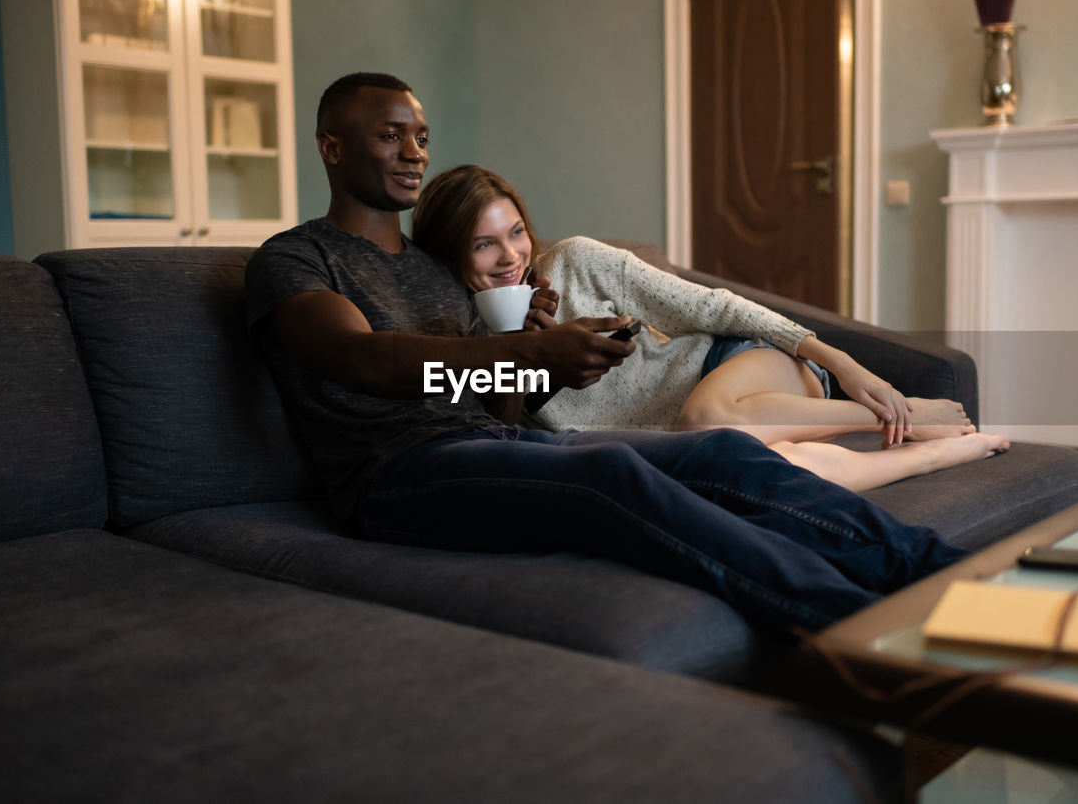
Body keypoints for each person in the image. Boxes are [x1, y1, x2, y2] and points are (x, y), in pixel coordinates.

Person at [243, 71, 967, 634]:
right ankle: (858, 626)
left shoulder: (439, 271)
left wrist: (537, 358)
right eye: (391, 135)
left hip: (486, 441)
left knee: (723, 454)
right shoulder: (297, 259)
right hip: (394, 477)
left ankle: (947, 575)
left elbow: (499, 408)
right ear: (332, 146)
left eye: (422, 136)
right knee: (609, 469)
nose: (414, 153)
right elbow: (361, 360)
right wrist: (524, 351)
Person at [411, 164, 1009, 492]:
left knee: (705, 420)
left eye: (515, 232)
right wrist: (526, 351)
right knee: (765, 475)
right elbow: (498, 437)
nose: (510, 254)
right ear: (450, 255)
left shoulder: (574, 261)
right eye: (484, 244)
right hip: (715, 432)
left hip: (732, 365)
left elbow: (718, 309)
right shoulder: (464, 346)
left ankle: (906, 415)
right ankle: (921, 449)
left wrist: (848, 368)